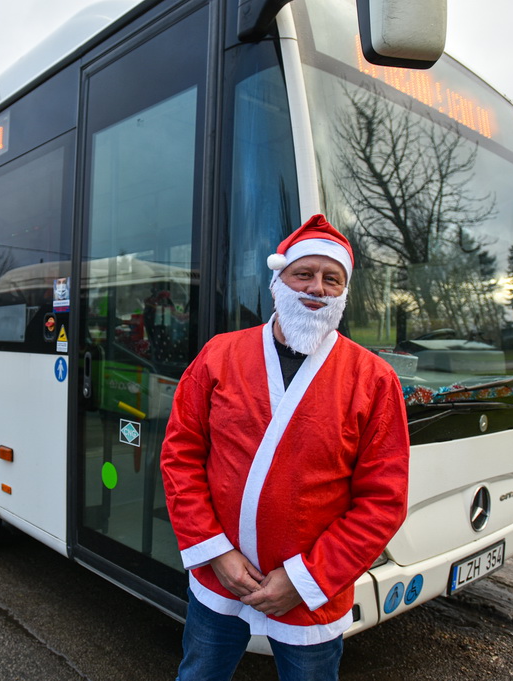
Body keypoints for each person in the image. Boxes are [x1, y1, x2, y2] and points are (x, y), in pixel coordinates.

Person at [160, 214, 410, 680]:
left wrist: (304, 579)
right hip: (219, 577)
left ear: (343, 293)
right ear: (278, 281)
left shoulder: (374, 380)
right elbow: (181, 456)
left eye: (331, 279)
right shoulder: (219, 355)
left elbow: (383, 501)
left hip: (309, 595)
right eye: (304, 273)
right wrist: (216, 551)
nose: (317, 288)